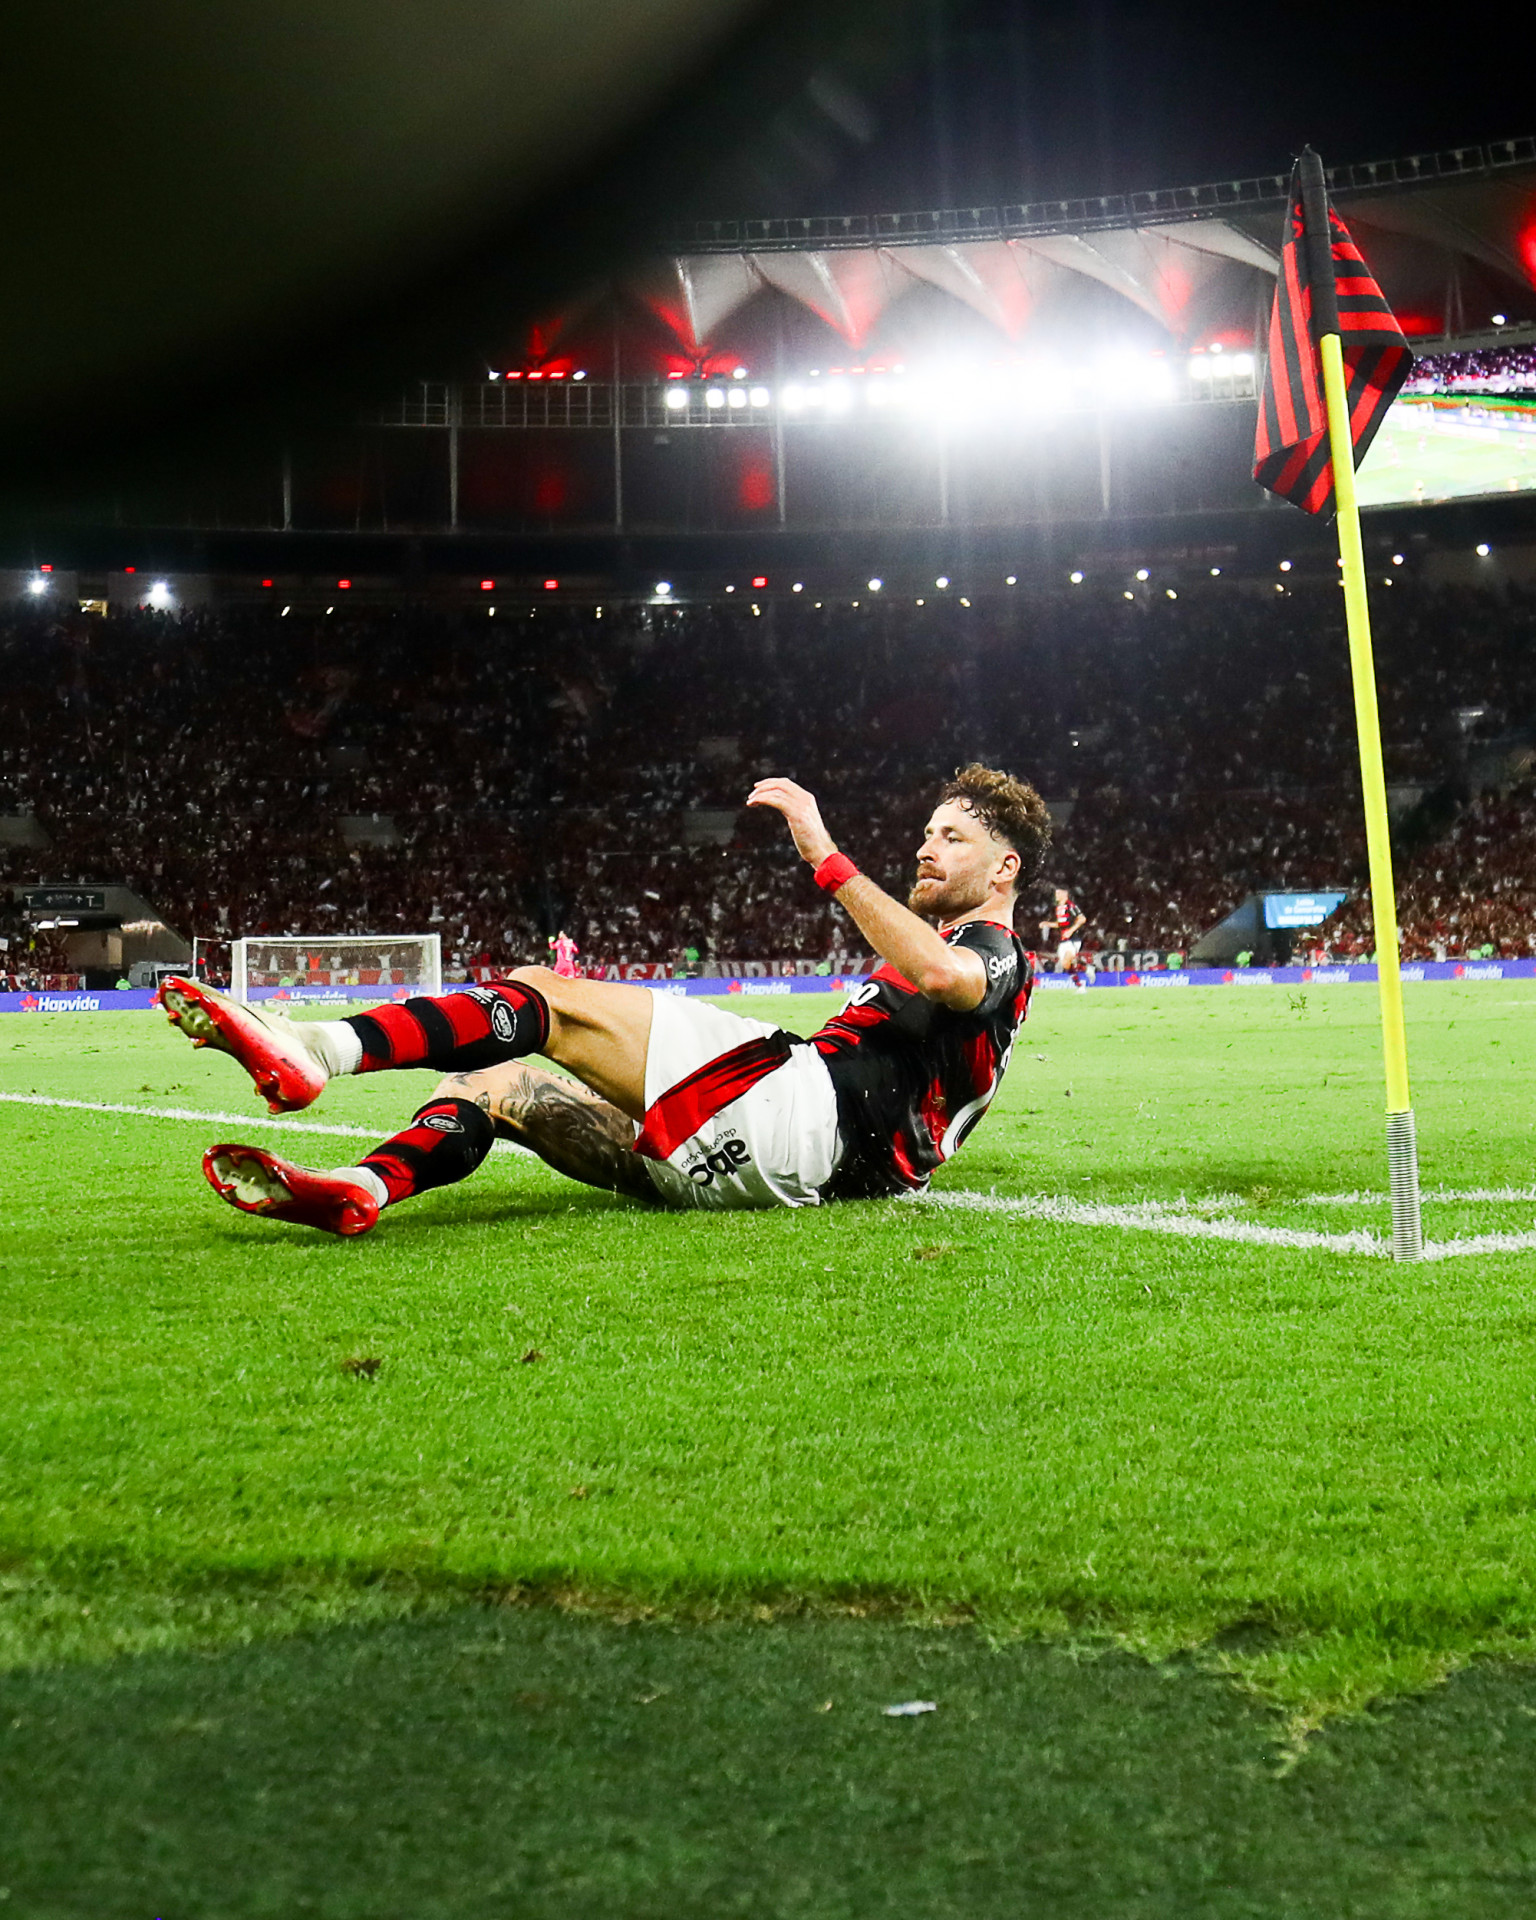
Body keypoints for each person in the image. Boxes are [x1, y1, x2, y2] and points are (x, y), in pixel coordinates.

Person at [157, 764, 1050, 1236]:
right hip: (768, 1171)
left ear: (1004, 868)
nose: (927, 849)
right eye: (928, 832)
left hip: (805, 1120)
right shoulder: (964, 953)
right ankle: (358, 1187)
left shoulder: (993, 950)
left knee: (546, 996)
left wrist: (822, 850)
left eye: (953, 839)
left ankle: (320, 1049)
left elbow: (944, 977)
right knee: (495, 1087)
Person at [1039, 886, 1087, 991]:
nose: (1056, 895)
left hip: (1074, 939)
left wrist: (1071, 930)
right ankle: (1085, 971)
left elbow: (1082, 919)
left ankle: (1082, 984)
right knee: (1065, 965)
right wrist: (1047, 924)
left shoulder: (1070, 906)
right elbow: (1061, 924)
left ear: (1065, 894)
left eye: (1059, 893)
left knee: (1067, 960)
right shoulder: (1058, 908)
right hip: (1063, 939)